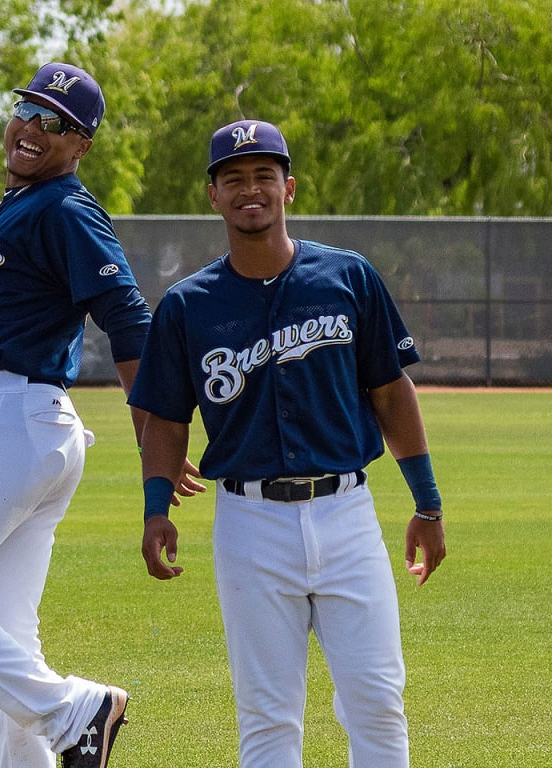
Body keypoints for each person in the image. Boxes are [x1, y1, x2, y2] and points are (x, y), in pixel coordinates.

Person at [0, 62, 197, 768]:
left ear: (81, 145)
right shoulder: (20, 204)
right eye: (28, 108)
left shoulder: (65, 209)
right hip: (17, 425)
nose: (32, 128)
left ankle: (75, 708)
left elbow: (129, 322)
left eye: (57, 124)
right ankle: (57, 727)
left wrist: (155, 441)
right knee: (8, 644)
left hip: (9, 419)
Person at [131, 119, 448, 767]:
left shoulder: (348, 277)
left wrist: (428, 503)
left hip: (347, 515)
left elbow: (391, 392)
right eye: (234, 179)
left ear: (289, 188)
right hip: (249, 524)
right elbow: (165, 419)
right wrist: (155, 508)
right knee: (268, 717)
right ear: (213, 195)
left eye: (263, 177)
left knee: (377, 700)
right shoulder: (188, 306)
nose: (251, 190)